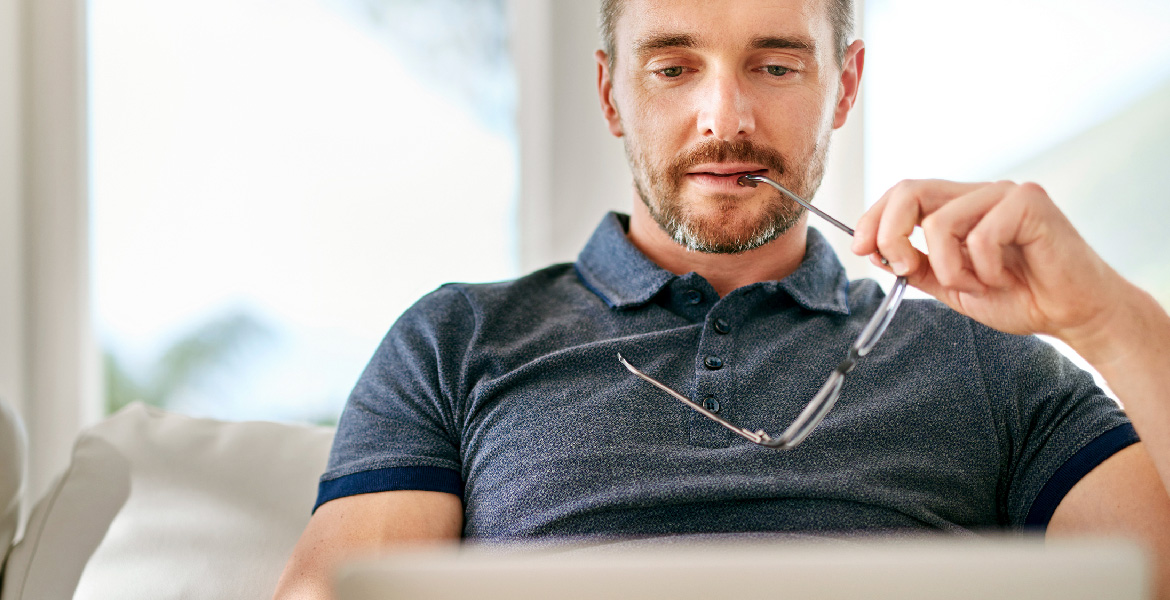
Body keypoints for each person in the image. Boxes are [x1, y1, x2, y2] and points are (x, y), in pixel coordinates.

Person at [274, 0, 1170, 598]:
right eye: (673, 68)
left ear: (843, 86)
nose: (725, 119)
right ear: (611, 93)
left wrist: (1114, 322)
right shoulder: (457, 340)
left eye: (775, 67)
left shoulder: (992, 364)